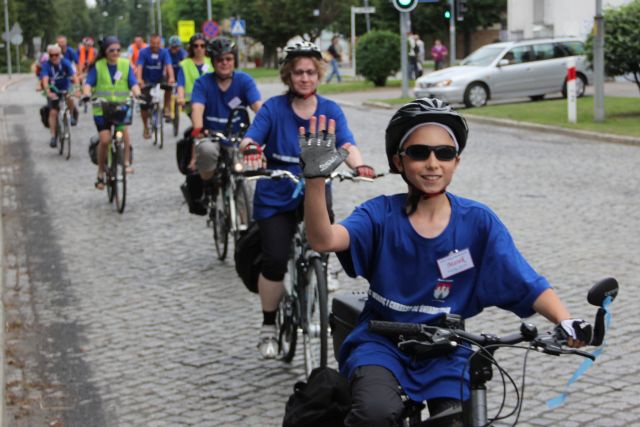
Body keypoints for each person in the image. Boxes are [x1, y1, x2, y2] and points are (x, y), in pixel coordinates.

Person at [299, 98, 594, 425]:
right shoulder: (378, 214)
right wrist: (315, 181)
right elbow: (323, 239)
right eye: (418, 152)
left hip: (447, 347)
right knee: (375, 413)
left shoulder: (478, 222)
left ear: (457, 161)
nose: (432, 163)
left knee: (456, 420)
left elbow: (526, 282)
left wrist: (565, 320)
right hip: (381, 344)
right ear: (399, 161)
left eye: (444, 153)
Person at [239, 41, 376, 359]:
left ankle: (321, 269)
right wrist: (250, 150)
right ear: (289, 75)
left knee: (325, 241)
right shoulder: (273, 108)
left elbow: (346, 143)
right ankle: (269, 325)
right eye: (298, 72)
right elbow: (252, 136)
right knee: (274, 258)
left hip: (314, 189)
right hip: (276, 192)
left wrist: (360, 165)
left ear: (318, 75)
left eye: (310, 72)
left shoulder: (330, 110)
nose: (304, 78)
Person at [185, 37, 261, 215]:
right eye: (220, 60)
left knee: (244, 174)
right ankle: (208, 186)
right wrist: (198, 128)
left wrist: (271, 124)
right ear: (213, 62)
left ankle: (244, 224)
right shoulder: (203, 83)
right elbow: (197, 108)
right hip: (212, 135)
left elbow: (258, 106)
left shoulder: (244, 81)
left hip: (238, 136)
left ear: (234, 60)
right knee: (206, 151)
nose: (224, 63)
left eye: (228, 59)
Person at [83, 36, 141, 189]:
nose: (115, 53)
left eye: (117, 50)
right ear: (105, 51)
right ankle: (101, 172)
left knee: (124, 131)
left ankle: (126, 162)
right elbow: (88, 83)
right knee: (105, 140)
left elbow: (133, 82)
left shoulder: (125, 64)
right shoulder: (98, 66)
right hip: (101, 109)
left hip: (120, 107)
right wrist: (87, 94)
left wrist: (138, 93)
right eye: (111, 50)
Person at [40, 44, 80, 147]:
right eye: (51, 55)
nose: (54, 57)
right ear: (49, 55)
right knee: (53, 112)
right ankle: (53, 137)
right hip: (54, 90)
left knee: (70, 98)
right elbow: (44, 80)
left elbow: (74, 77)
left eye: (56, 55)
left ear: (60, 55)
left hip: (65, 88)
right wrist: (48, 92)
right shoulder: (46, 65)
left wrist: (76, 88)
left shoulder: (65, 63)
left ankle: (70, 116)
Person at [136, 34, 174, 139]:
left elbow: (169, 66)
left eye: (158, 43)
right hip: (147, 79)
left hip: (159, 78)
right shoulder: (143, 52)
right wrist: (139, 79)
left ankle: (166, 107)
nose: (156, 46)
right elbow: (139, 66)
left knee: (169, 86)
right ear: (150, 43)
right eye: (153, 43)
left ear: (160, 43)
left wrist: (171, 77)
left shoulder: (164, 52)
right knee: (144, 104)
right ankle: (146, 128)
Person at [176, 33, 213, 118]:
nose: (199, 48)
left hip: (210, 100)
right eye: (196, 46)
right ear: (191, 48)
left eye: (202, 46)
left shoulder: (212, 62)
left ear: (206, 47)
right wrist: (181, 97)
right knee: (198, 125)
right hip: (191, 102)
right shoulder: (184, 64)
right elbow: (180, 83)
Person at [166, 35, 188, 120]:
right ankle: (167, 108)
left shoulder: (183, 53)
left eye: (176, 47)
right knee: (167, 90)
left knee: (181, 89)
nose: (174, 49)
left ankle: (182, 103)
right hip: (169, 76)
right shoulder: (166, 53)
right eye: (173, 47)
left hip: (180, 75)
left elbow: (186, 65)